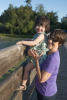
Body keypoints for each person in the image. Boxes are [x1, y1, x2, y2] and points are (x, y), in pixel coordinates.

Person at [30, 29, 66, 100]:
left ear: (60, 44)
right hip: (41, 89)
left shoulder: (53, 59)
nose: (50, 41)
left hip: (46, 94)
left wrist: (36, 61)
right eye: (50, 38)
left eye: (54, 40)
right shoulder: (49, 52)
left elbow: (42, 80)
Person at [16, 16, 50, 90]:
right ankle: (25, 84)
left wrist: (22, 42)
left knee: (27, 68)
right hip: (36, 57)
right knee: (28, 68)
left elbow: (34, 42)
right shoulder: (37, 34)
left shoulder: (41, 35)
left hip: (39, 58)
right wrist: (27, 40)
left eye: (42, 26)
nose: (39, 28)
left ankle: (23, 85)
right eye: (38, 25)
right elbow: (33, 40)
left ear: (45, 28)